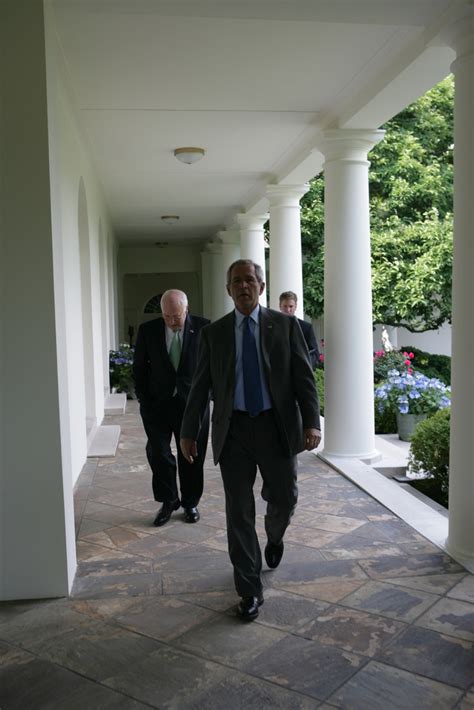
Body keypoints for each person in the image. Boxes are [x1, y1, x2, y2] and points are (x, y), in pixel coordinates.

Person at [180, 260, 320, 620]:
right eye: (237, 281)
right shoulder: (215, 334)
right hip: (235, 431)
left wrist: (312, 422)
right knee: (238, 512)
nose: (244, 286)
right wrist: (187, 431)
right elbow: (199, 387)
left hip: (277, 428)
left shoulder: (286, 326)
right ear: (229, 290)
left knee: (285, 496)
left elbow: (304, 378)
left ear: (261, 285)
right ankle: (249, 589)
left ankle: (274, 537)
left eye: (250, 280)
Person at [133, 289, 210, 527]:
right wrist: (144, 399)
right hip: (157, 405)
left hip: (193, 405)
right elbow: (139, 369)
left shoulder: (205, 328)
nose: (171, 321)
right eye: (167, 316)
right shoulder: (148, 330)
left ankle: (189, 502)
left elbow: (213, 366)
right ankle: (168, 501)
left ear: (186, 310)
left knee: (192, 456)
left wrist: (209, 396)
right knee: (159, 453)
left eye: (176, 316)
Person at [279, 290, 320, 368]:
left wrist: (302, 366)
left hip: (300, 375)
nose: (288, 310)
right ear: (280, 306)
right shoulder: (271, 326)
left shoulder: (306, 327)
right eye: (285, 306)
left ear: (295, 307)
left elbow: (315, 354)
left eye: (291, 306)